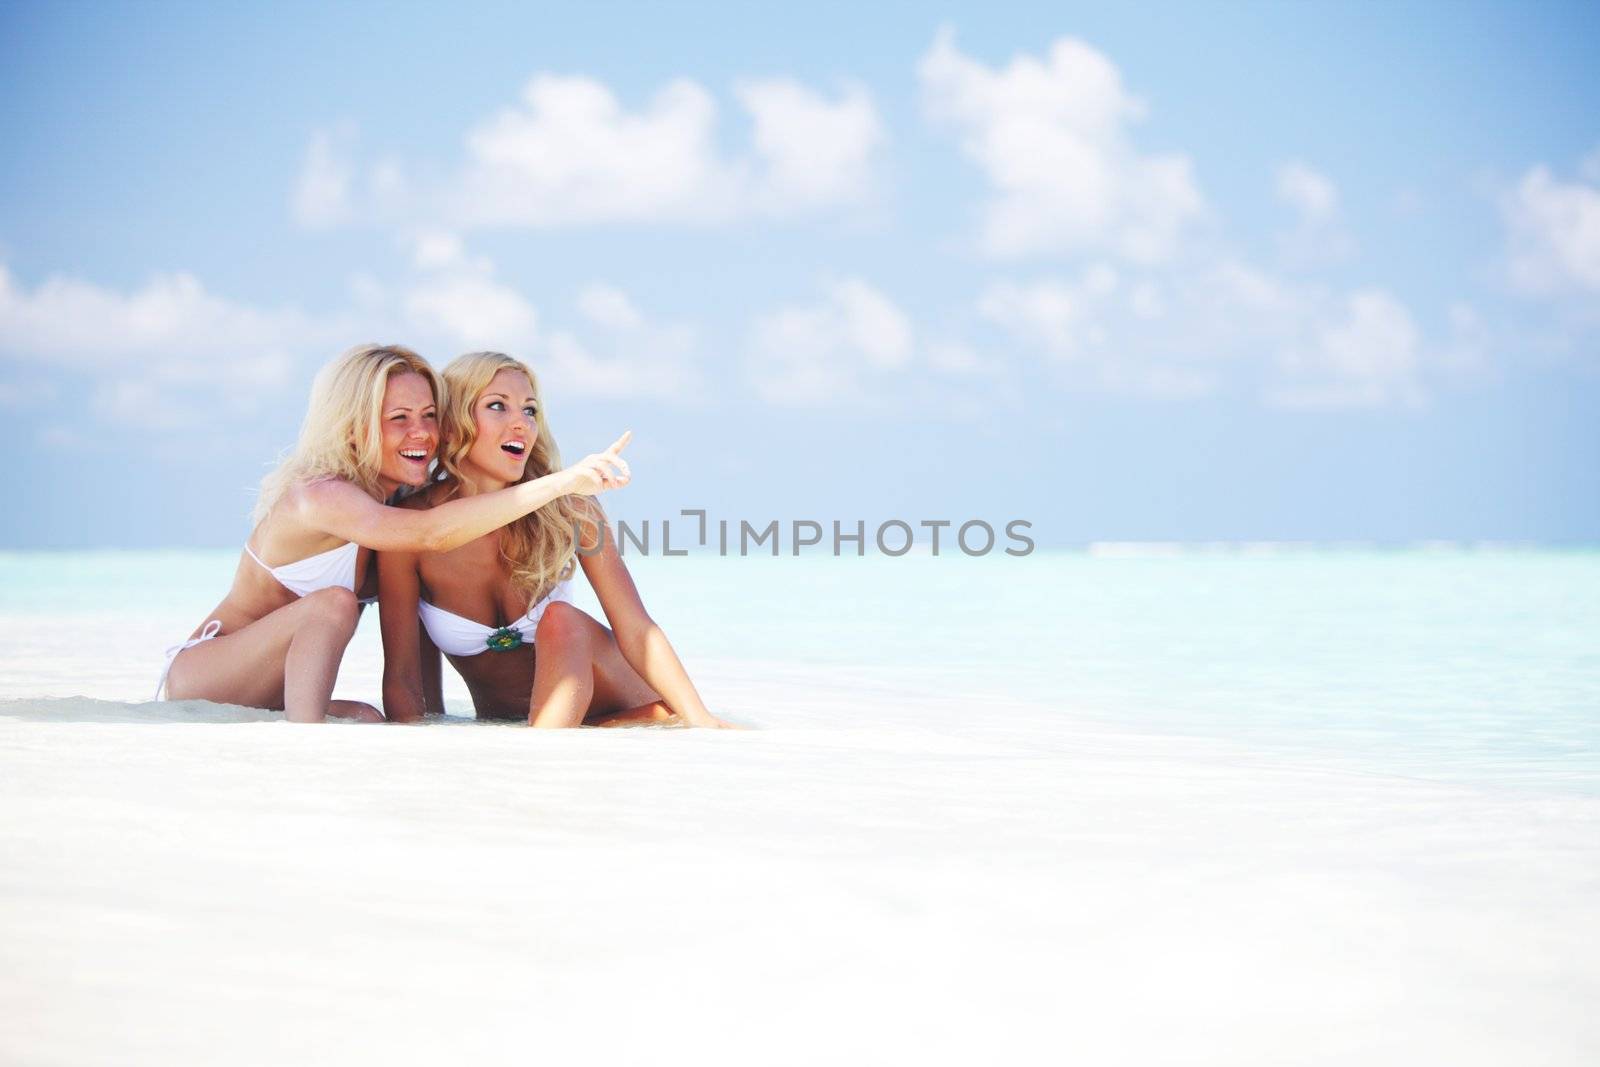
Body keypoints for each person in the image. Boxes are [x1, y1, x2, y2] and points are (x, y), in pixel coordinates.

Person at [158, 343, 633, 722]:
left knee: (368, 720)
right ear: (353, 428)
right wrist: (564, 482)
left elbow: (417, 637)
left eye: (429, 416)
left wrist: (427, 727)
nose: (421, 433)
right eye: (398, 419)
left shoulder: (393, 505)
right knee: (334, 605)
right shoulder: (322, 495)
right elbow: (429, 534)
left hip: (274, 692)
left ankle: (306, 732)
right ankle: (305, 748)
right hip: (208, 677)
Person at [378, 350, 734, 728]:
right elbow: (403, 678)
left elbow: (637, 628)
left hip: (631, 713)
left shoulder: (569, 507)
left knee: (561, 620)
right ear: (451, 424)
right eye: (498, 406)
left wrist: (700, 721)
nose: (521, 424)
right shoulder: (412, 529)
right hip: (553, 731)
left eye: (529, 410)